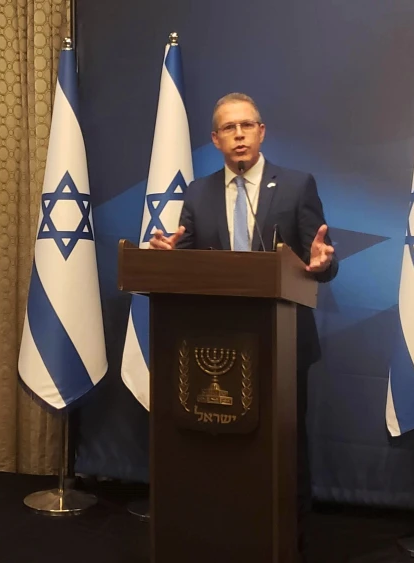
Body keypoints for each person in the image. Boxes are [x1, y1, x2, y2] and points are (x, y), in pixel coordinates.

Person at [148, 92, 337, 560]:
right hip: (216, 343)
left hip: (284, 340)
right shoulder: (198, 192)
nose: (239, 135)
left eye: (247, 126)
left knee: (286, 445)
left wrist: (320, 265)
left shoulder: (295, 186)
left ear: (261, 132)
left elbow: (322, 260)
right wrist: (171, 259)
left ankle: (289, 539)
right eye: (228, 129)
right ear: (215, 140)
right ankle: (223, 529)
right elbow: (191, 262)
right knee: (220, 440)